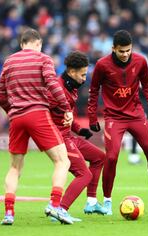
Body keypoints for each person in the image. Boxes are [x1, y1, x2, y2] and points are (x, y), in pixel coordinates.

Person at [87, 30, 148, 215]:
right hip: (113, 117)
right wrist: (92, 117)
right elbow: (93, 91)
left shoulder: (140, 61)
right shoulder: (102, 65)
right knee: (111, 157)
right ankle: (107, 201)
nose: (125, 54)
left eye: (128, 50)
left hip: (136, 114)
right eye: (121, 51)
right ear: (113, 49)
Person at [0, 28, 74, 225]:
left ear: (22, 44)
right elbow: (52, 83)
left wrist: (12, 111)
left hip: (16, 118)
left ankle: (9, 213)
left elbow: (0, 95)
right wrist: (66, 107)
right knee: (63, 161)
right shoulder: (43, 59)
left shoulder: (9, 61)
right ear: (38, 43)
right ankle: (55, 205)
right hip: (38, 114)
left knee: (15, 167)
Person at [48, 51, 107, 222]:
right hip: (59, 139)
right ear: (72, 72)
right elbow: (45, 115)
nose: (84, 78)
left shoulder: (71, 88)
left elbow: (66, 115)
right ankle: (60, 209)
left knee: (99, 157)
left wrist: (79, 129)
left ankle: (91, 202)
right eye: (82, 74)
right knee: (84, 174)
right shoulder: (57, 90)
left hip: (68, 136)